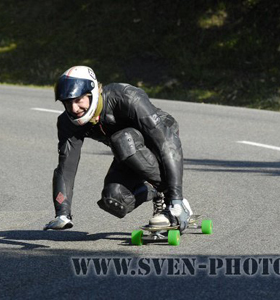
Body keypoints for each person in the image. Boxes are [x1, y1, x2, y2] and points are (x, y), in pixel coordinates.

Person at [43, 66, 193, 231]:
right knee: (112, 200)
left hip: (161, 135)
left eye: (78, 100)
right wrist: (62, 213)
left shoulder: (126, 97)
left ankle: (173, 203)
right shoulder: (67, 123)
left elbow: (167, 141)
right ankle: (156, 191)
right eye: (67, 102)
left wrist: (176, 198)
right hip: (128, 151)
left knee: (122, 139)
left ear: (92, 92)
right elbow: (66, 169)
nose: (74, 109)